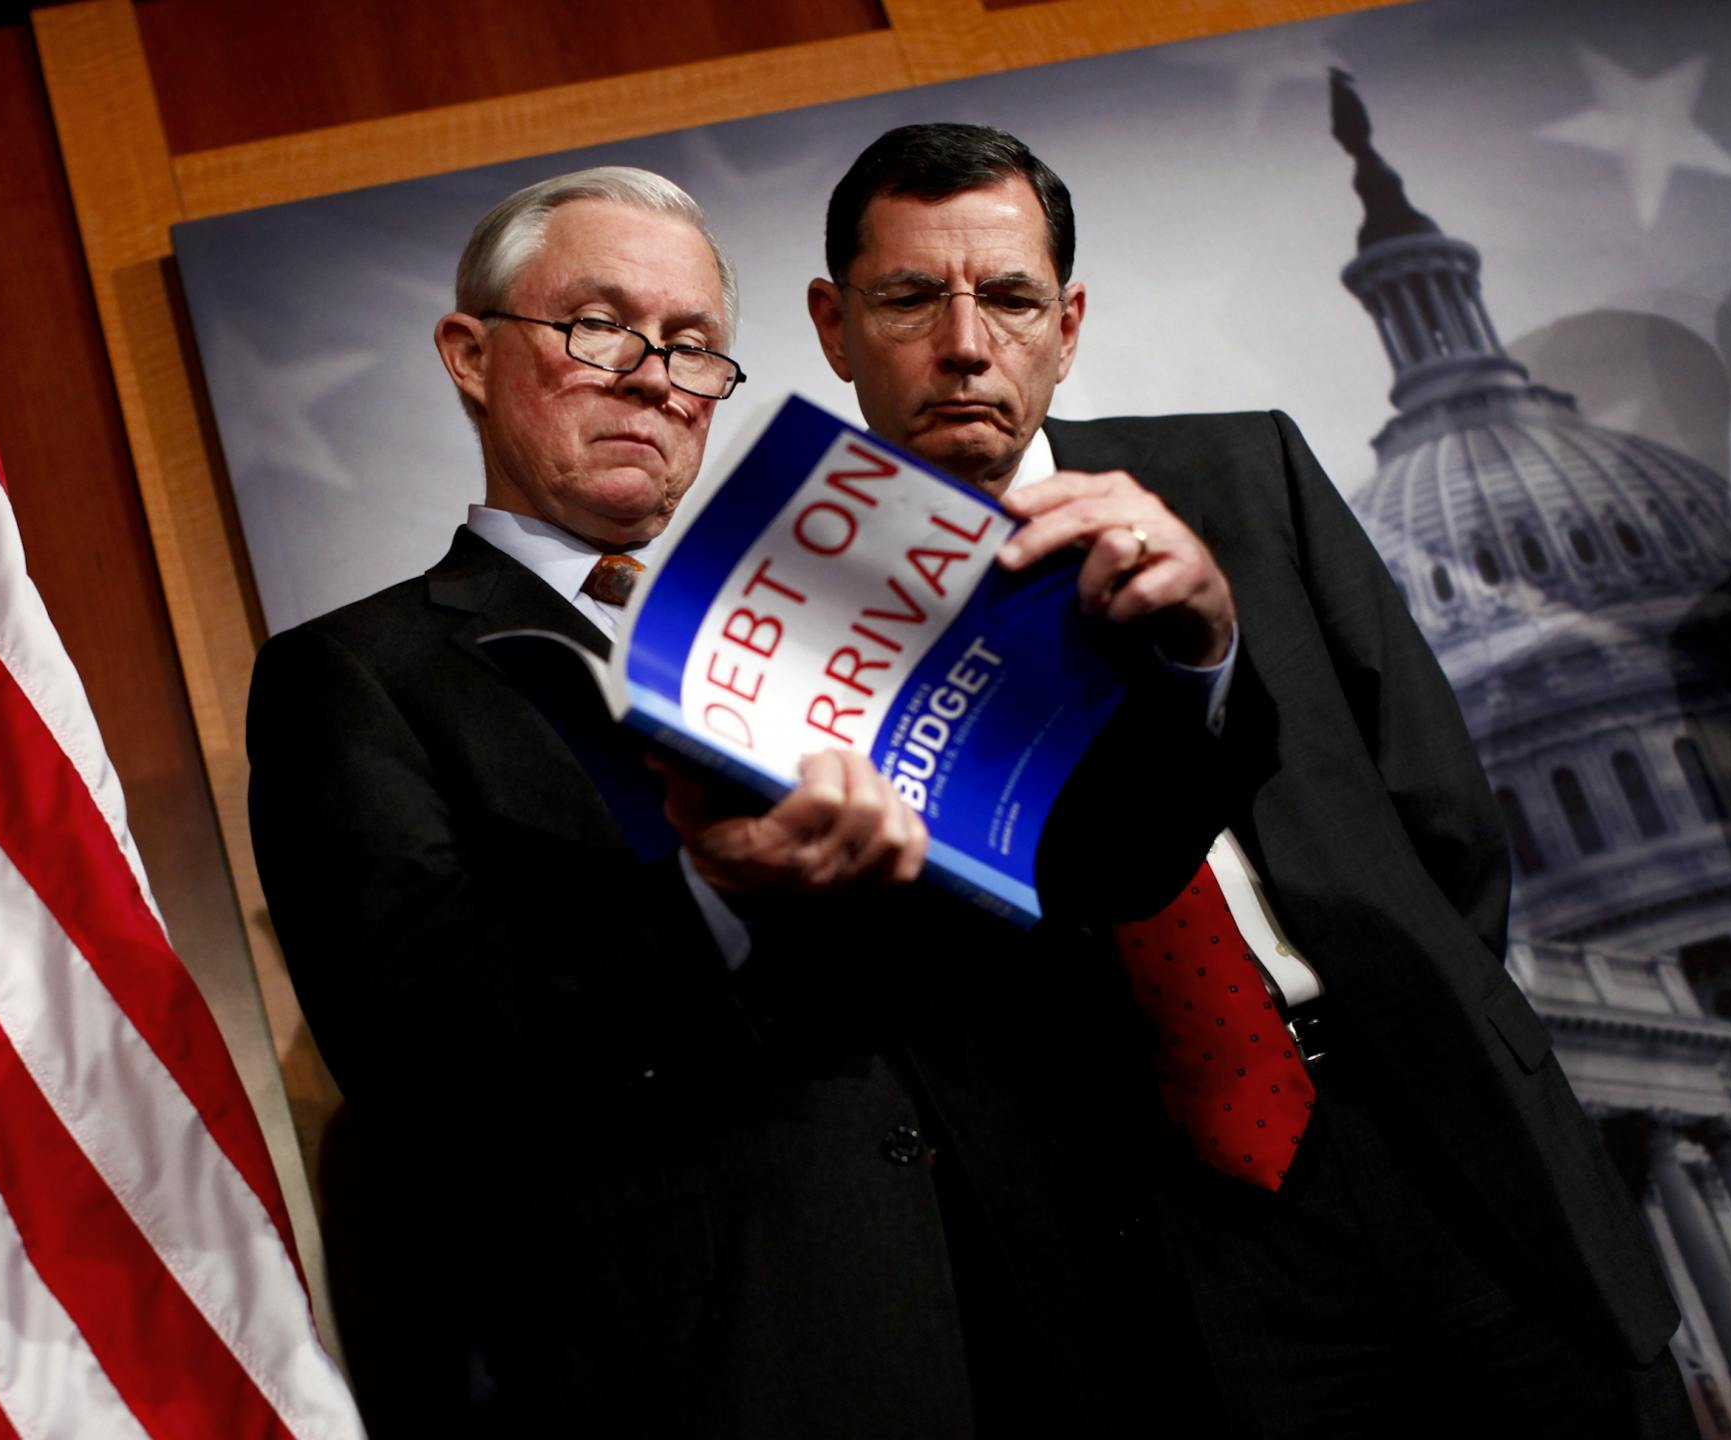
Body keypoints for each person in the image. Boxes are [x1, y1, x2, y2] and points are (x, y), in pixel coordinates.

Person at [805, 121, 1693, 1437]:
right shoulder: (790, 628)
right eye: (907, 299)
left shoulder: (1243, 474)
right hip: (1162, 1232)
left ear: (1069, 320)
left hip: (1446, 1143)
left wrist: (1206, 656)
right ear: (834, 325)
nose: (964, 344)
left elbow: (1442, 818)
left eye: (1008, 296)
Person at [249, 165, 1120, 1438]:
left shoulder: (817, 631)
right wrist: (713, 894)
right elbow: (428, 1071)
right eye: (599, 327)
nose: (657, 377)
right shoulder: (356, 676)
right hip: (721, 1368)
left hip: (1025, 1317)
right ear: (469, 353)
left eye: (698, 348)